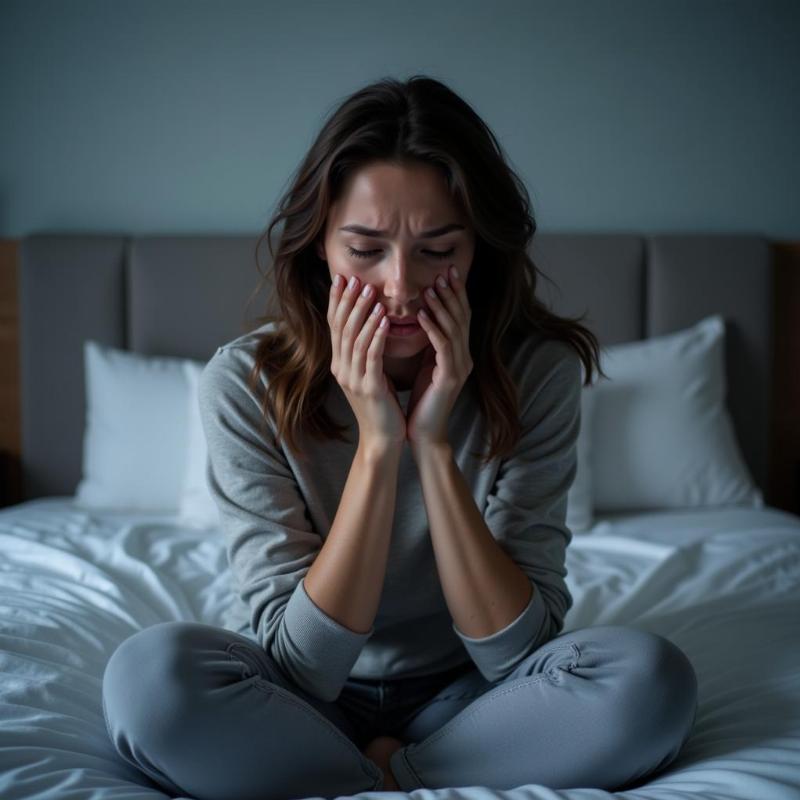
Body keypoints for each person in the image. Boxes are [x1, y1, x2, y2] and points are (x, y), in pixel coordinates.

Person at [102, 75, 698, 800]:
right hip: (299, 700)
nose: (402, 287)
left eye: (437, 249)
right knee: (146, 682)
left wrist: (436, 444)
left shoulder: (537, 372)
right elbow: (304, 665)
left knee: (652, 681)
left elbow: (519, 654)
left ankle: (398, 773)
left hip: (475, 695)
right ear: (319, 247)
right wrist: (380, 445)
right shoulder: (242, 385)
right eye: (366, 249)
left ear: (478, 249)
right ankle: (392, 769)